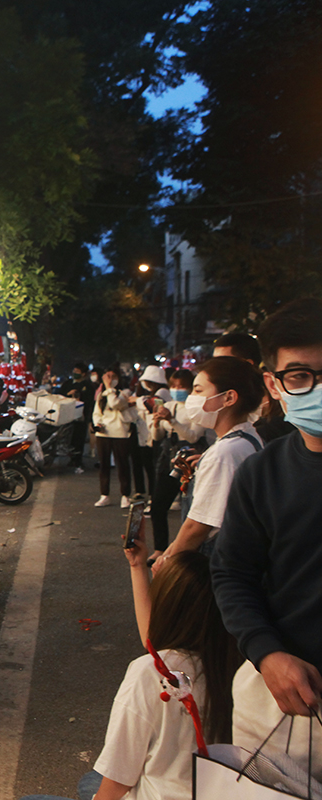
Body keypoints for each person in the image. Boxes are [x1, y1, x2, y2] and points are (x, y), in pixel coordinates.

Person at [20, 536, 240, 800]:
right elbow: (156, 643)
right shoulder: (233, 664)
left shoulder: (149, 672)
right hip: (206, 789)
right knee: (91, 781)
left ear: (166, 606)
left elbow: (115, 787)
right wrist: (139, 568)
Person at [211, 297, 322, 781]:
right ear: (275, 385)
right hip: (283, 706)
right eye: (300, 376)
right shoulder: (261, 475)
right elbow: (232, 573)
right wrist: (266, 653)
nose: (317, 389)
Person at [153, 357, 264, 570]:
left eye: (198, 390)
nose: (192, 398)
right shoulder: (248, 437)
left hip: (214, 564)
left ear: (228, 398)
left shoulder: (225, 453)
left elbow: (197, 527)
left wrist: (168, 564)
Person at [147, 369, 205, 555]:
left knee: (190, 507)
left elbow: (194, 436)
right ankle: (159, 548)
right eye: (173, 386)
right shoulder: (168, 405)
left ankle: (188, 551)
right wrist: (156, 423)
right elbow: (157, 437)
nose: (177, 389)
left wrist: (172, 421)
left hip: (189, 457)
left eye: (181, 386)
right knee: (158, 505)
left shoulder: (195, 407)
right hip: (168, 457)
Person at [93, 365, 135, 508]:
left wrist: (109, 388)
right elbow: (96, 413)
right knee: (104, 465)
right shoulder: (101, 395)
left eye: (113, 377)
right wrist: (97, 424)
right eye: (107, 376)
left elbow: (115, 404)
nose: (109, 380)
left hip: (120, 433)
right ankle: (104, 495)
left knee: (122, 464)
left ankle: (125, 495)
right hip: (104, 433)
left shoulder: (125, 393)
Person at [132, 366, 172, 497]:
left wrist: (137, 400)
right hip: (145, 433)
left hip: (158, 432)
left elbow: (151, 404)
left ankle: (154, 496)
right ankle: (148, 494)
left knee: (155, 468)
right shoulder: (150, 393)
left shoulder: (163, 392)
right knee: (146, 466)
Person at [63, 362, 91, 473]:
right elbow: (60, 395)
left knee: (79, 438)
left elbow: (89, 401)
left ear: (83, 374)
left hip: (81, 416)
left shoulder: (87, 386)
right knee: (68, 437)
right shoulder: (68, 383)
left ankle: (78, 460)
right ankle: (71, 458)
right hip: (67, 415)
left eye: (77, 372)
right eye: (74, 372)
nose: (75, 374)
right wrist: (68, 394)